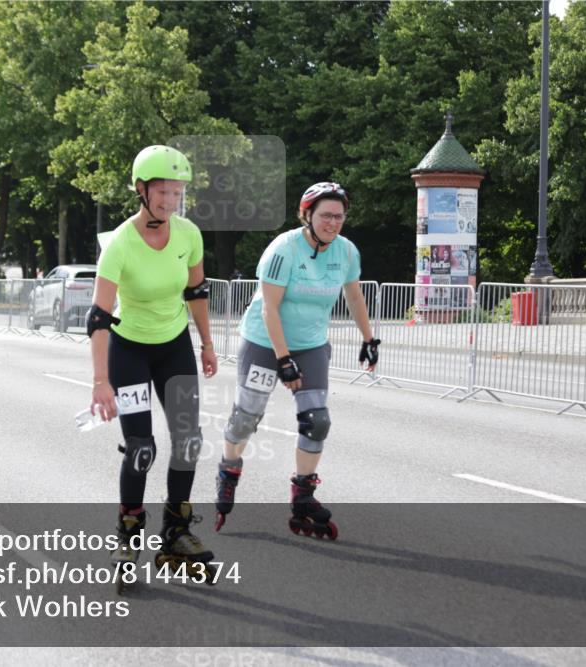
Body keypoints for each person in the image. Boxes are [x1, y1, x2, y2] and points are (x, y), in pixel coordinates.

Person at [214, 182, 380, 539]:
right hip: (263, 340)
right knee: (246, 417)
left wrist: (369, 339)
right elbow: (270, 309)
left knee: (317, 421)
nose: (333, 223)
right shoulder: (283, 249)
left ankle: (303, 494)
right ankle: (229, 470)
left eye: (339, 216)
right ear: (307, 215)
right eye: (325, 216)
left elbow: (354, 296)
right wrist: (283, 359)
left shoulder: (346, 252)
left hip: (311, 344)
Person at [87, 145, 218, 584]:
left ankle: (176, 534)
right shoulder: (120, 244)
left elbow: (196, 294)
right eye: (162, 191)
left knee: (189, 442)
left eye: (177, 192)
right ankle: (128, 532)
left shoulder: (188, 235)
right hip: (129, 352)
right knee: (142, 449)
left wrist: (207, 344)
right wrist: (100, 380)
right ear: (141, 190)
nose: (170, 200)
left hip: (174, 347)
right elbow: (99, 318)